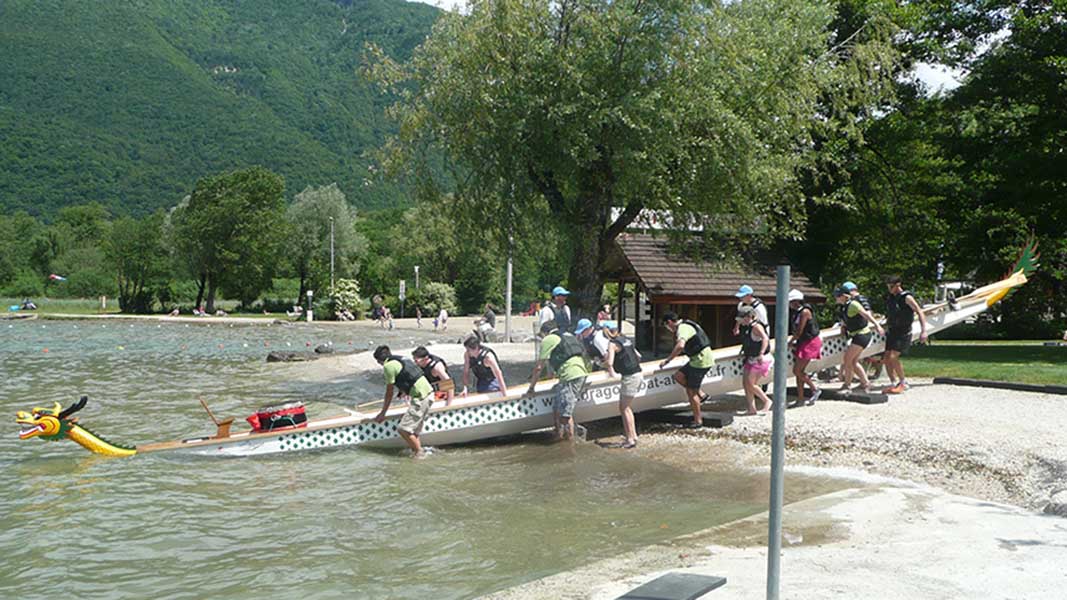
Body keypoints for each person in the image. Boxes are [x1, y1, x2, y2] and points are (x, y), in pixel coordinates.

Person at [527, 320, 589, 440]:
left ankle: (569, 443)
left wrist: (531, 388)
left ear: (545, 333)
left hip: (570, 376)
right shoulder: (568, 335)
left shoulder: (548, 339)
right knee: (557, 408)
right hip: (580, 372)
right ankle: (558, 434)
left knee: (565, 414)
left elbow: (539, 367)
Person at [372, 345, 435, 458]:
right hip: (429, 393)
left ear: (379, 360)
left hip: (421, 397)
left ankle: (420, 454)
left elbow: (389, 392)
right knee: (413, 431)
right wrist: (403, 391)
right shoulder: (400, 359)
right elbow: (408, 376)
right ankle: (417, 452)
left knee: (403, 429)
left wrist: (383, 413)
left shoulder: (388, 366)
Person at [659, 312, 715, 428]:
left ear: (669, 322)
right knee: (678, 376)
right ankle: (701, 394)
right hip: (697, 359)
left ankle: (698, 421)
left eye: (666, 326)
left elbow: (680, 346)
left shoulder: (683, 328)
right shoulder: (687, 324)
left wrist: (668, 360)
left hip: (701, 361)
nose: (668, 329)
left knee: (691, 391)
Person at [882, 275, 929, 394]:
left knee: (893, 357)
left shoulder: (907, 298)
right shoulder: (891, 298)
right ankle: (893, 383)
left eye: (891, 286)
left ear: (898, 285)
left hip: (903, 331)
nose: (889, 289)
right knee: (886, 358)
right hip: (892, 330)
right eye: (888, 287)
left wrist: (924, 331)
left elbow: (919, 312)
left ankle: (903, 382)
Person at [835, 286, 884, 394]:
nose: (836, 298)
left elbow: (866, 315)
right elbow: (846, 321)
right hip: (856, 335)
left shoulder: (853, 304)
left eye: (837, 296)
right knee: (853, 362)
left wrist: (877, 326)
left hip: (862, 334)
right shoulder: (844, 307)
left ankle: (847, 386)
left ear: (844, 296)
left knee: (847, 359)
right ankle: (865, 383)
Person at [602, 321, 643, 449]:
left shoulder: (612, 343)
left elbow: (609, 362)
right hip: (638, 373)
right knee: (626, 407)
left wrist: (611, 372)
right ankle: (633, 435)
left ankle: (630, 439)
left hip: (629, 377)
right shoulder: (626, 340)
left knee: (624, 408)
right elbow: (638, 356)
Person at [787, 289, 822, 406]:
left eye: (791, 302)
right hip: (803, 342)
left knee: (797, 370)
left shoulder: (805, 312)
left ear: (796, 301)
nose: (790, 305)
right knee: (799, 372)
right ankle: (800, 398)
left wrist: (790, 342)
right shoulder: (797, 312)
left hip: (810, 342)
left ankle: (814, 389)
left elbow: (799, 331)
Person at [737, 306, 773, 415]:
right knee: (745, 383)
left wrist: (761, 353)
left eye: (742, 318)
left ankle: (767, 401)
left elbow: (765, 338)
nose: (741, 321)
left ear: (749, 317)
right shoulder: (747, 327)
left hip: (760, 358)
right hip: (751, 357)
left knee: (751, 384)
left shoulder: (756, 327)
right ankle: (751, 408)